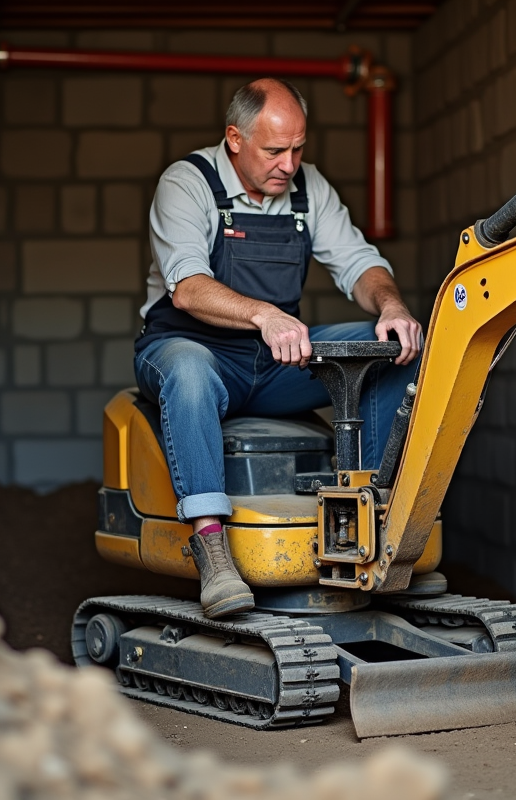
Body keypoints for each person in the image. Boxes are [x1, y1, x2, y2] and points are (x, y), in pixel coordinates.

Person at [134, 77, 423, 619]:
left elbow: (361, 264)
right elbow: (188, 286)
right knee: (190, 369)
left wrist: (390, 305)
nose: (289, 165)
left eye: (298, 148)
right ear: (235, 139)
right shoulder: (188, 182)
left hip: (273, 366)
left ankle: (371, 520)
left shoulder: (309, 190)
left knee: (382, 347)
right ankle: (213, 547)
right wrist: (264, 314)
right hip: (191, 351)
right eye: (275, 151)